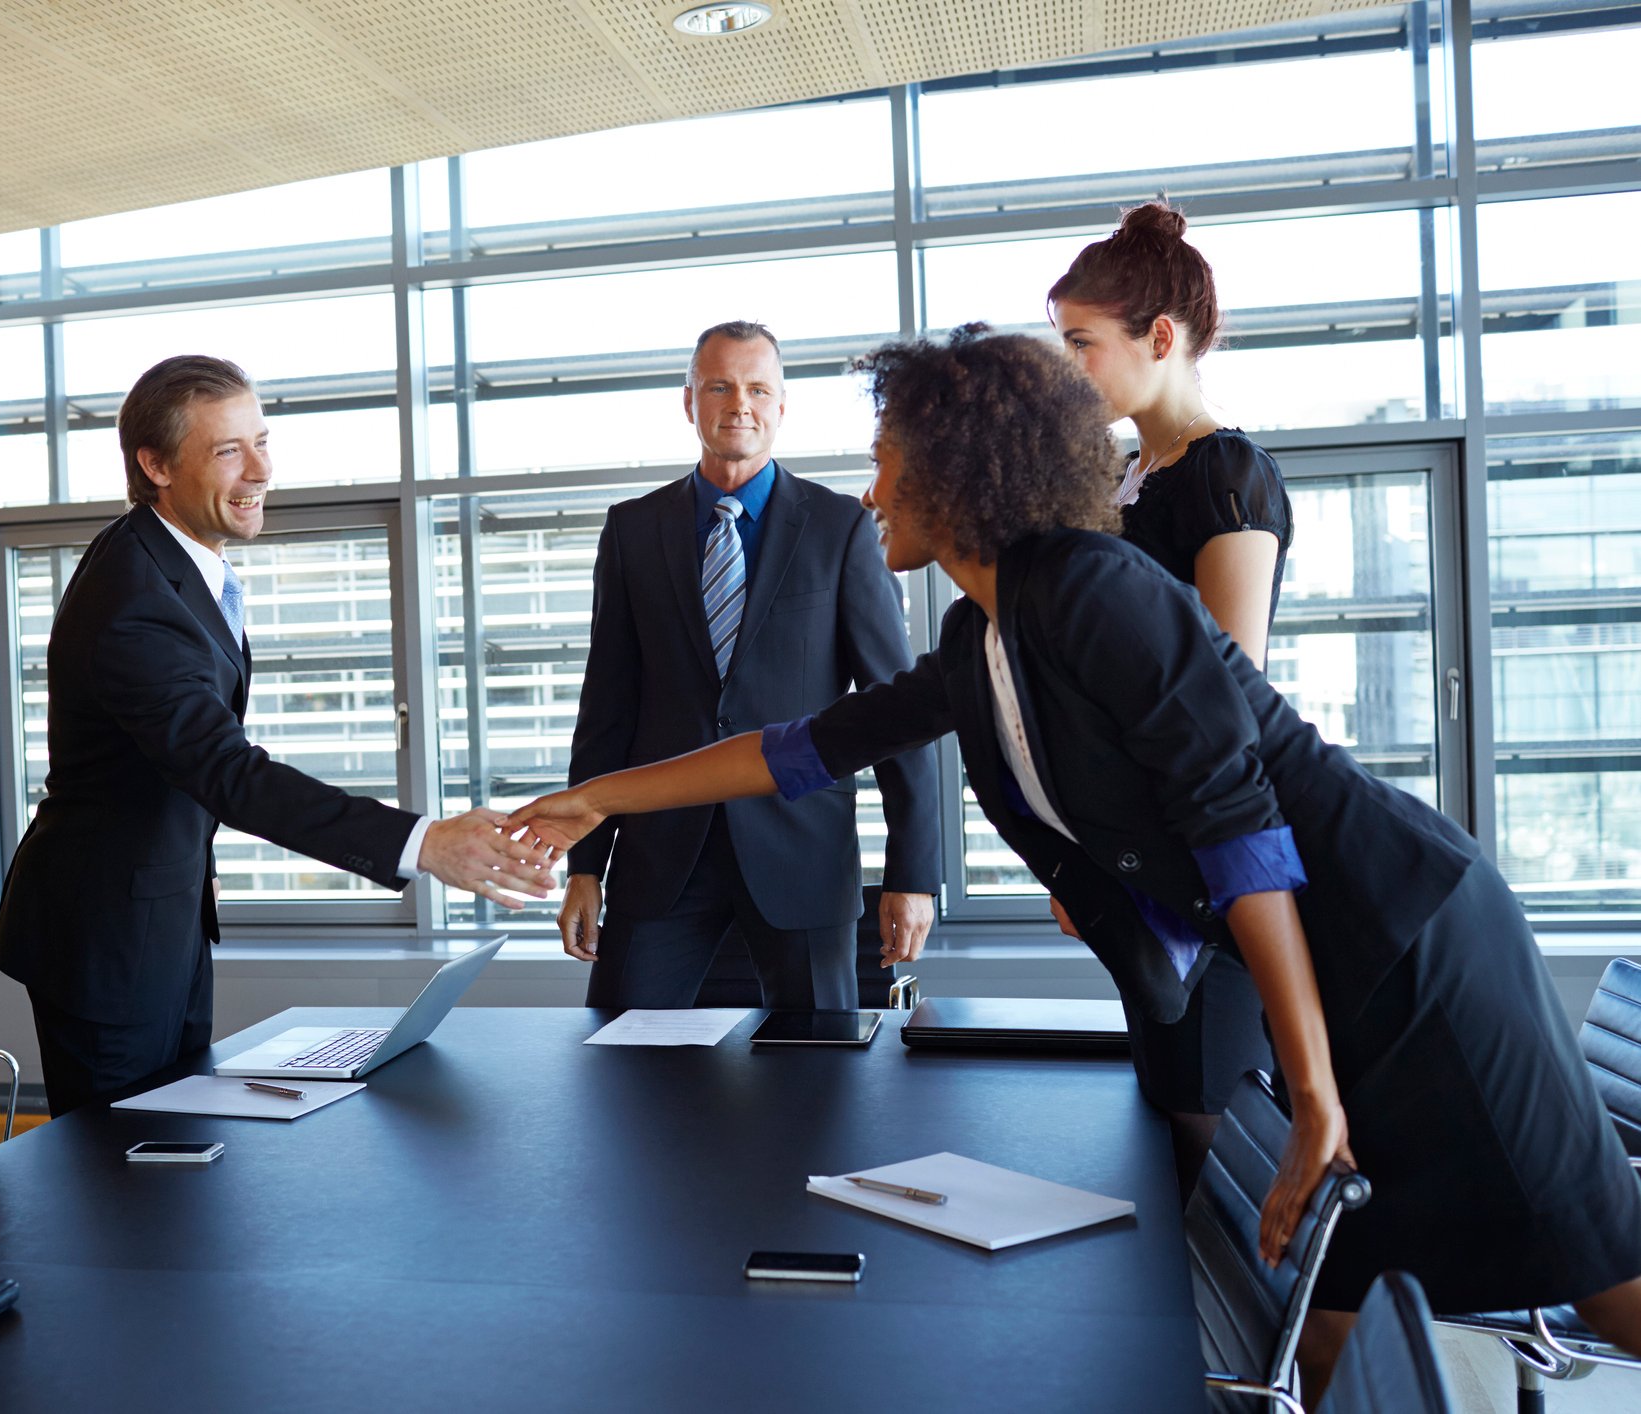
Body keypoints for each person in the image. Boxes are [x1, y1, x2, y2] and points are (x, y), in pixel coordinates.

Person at [511, 328, 1641, 1391]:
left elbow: (1237, 825)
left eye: (887, 465)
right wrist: (592, 802)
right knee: (1336, 1306)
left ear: (957, 473)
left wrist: (1307, 1089)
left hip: (1414, 943)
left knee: (1608, 1278)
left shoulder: (1099, 589)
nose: (871, 493)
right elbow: (799, 749)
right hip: (1313, 970)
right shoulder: (978, 636)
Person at [0, 354, 552, 1116]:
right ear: (153, 464)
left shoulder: (175, 568)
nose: (260, 470)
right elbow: (226, 768)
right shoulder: (133, 596)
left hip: (158, 908)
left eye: (262, 442)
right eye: (228, 450)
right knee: (121, 1167)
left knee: (170, 1148)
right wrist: (423, 843)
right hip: (106, 936)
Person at [559, 321, 939, 1011]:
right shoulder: (632, 530)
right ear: (689, 402)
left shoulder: (840, 527)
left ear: (781, 406)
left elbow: (897, 710)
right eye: (719, 386)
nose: (740, 403)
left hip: (802, 852)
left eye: (758, 388)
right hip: (661, 857)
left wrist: (911, 874)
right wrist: (585, 866)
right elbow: (606, 712)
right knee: (618, 1065)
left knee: (820, 1075)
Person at [1047, 202, 1292, 1195]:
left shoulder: (1226, 473)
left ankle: (1266, 1350)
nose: (1069, 371)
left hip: (1215, 851)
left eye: (1081, 345)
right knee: (1164, 1106)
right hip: (1150, 852)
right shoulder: (1121, 475)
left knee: (1206, 1124)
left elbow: (1227, 691)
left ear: (1161, 337)